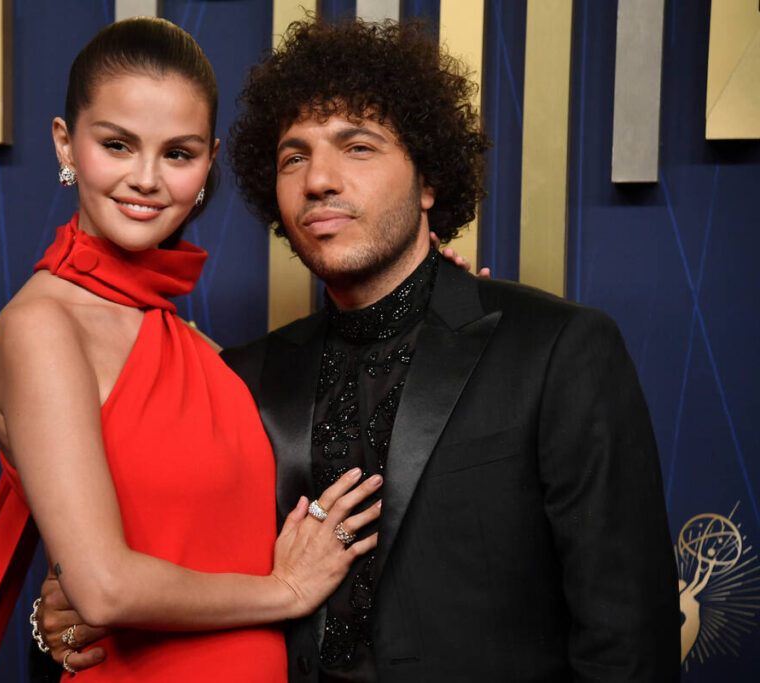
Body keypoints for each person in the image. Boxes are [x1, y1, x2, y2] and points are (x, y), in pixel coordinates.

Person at [38, 17, 681, 682]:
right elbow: (138, 573)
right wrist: (58, 616)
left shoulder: (557, 350)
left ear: (428, 181)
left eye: (358, 147)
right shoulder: (241, 377)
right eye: (294, 156)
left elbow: (629, 639)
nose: (319, 179)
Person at [0, 17, 390, 683]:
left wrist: (430, 300)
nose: (146, 178)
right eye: (117, 144)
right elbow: (105, 587)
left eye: (177, 153)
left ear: (207, 163)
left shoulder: (189, 341)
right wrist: (284, 589)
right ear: (66, 143)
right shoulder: (43, 327)